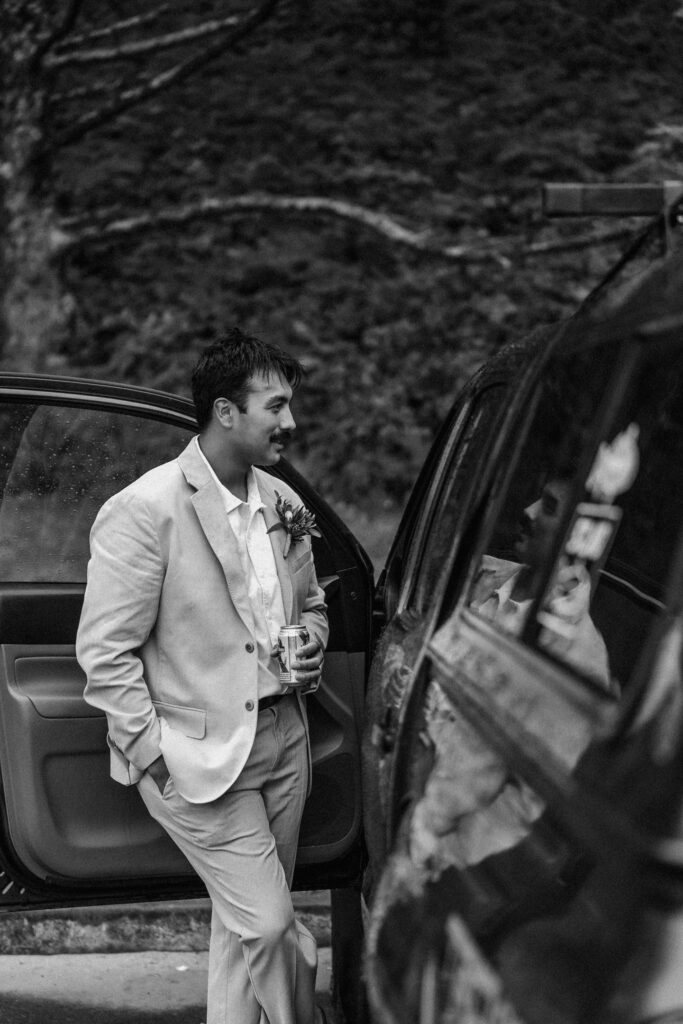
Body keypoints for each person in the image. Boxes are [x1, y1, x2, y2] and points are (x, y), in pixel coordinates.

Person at [76, 328, 328, 1024]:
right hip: (198, 759)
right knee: (275, 930)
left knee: (242, 929)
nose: (291, 422)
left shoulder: (282, 501)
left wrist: (309, 641)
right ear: (225, 413)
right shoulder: (145, 508)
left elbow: (311, 603)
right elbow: (105, 652)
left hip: (283, 741)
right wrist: (154, 752)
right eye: (275, 406)